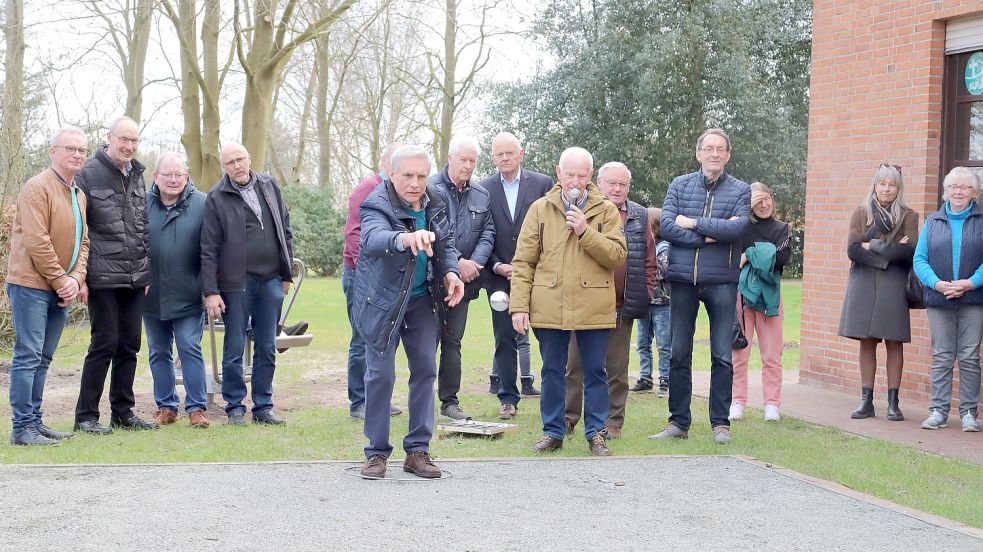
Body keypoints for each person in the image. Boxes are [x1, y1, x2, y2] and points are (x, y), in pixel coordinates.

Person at [353, 145, 465, 479]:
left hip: (420, 301)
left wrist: (451, 272)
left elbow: (446, 246)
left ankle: (418, 451)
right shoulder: (376, 202)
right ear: (392, 173)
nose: (416, 183)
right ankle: (376, 453)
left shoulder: (436, 202)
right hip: (381, 301)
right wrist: (405, 239)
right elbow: (372, 239)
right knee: (381, 375)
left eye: (421, 175)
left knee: (426, 371)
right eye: (408, 176)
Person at [510, 147, 627, 456]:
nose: (575, 181)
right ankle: (553, 432)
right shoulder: (539, 209)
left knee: (595, 371)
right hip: (550, 303)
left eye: (582, 175)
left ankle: (596, 434)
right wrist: (519, 306)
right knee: (552, 370)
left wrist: (585, 231)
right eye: (570, 174)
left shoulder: (607, 211)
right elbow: (523, 262)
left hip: (594, 305)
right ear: (558, 173)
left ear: (591, 176)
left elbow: (616, 256)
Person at [651, 129, 750, 445]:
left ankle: (720, 424)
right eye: (709, 148)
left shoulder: (740, 190)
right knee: (679, 353)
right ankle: (678, 422)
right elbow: (666, 226)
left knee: (722, 354)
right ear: (699, 153)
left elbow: (737, 228)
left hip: (721, 280)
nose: (715, 154)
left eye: (721, 149)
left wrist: (692, 223)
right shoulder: (679, 185)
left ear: (728, 155)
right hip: (683, 280)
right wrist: (708, 236)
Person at [73, 116, 158, 434]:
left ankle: (123, 413)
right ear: (109, 137)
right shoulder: (87, 174)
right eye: (124, 139)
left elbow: (142, 227)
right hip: (102, 276)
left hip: (135, 279)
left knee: (130, 346)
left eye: (134, 141)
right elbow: (79, 229)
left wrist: (145, 272)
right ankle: (86, 417)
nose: (129, 146)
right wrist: (79, 277)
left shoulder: (138, 175)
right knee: (104, 343)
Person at [6, 126, 90, 445]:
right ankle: (21, 428)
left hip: (60, 288)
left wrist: (75, 279)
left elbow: (84, 242)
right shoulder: (36, 187)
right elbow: (37, 240)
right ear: (53, 152)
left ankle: (35, 422)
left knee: (43, 357)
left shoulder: (78, 193)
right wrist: (61, 280)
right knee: (28, 355)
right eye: (70, 148)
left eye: (82, 150)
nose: (77, 154)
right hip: (30, 285)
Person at [200, 143, 294, 426]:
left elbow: (284, 227)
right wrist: (211, 291)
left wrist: (286, 271)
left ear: (250, 159)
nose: (237, 166)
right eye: (230, 162)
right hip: (235, 283)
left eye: (240, 159)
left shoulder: (269, 185)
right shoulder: (217, 197)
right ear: (224, 167)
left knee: (266, 345)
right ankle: (235, 406)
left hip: (271, 280)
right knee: (235, 344)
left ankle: (263, 406)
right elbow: (208, 248)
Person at [564, 162, 656, 439]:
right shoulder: (583, 209)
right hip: (583, 303)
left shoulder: (639, 215)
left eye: (623, 184)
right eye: (612, 183)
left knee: (617, 368)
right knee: (575, 365)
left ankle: (613, 422)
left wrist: (645, 291)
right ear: (599, 183)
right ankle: (568, 418)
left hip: (620, 304)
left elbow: (649, 260)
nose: (617, 189)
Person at [478, 132, 552, 417]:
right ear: (493, 157)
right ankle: (508, 398)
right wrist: (496, 265)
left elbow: (552, 228)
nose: (505, 158)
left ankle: (554, 393)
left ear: (521, 153)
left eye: (510, 153)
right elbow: (484, 232)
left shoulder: (543, 183)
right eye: (499, 154)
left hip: (538, 275)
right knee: (504, 338)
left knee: (547, 336)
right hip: (499, 276)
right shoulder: (483, 189)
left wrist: (531, 266)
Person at [837, 164, 917, 422]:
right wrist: (888, 252)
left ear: (898, 188)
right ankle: (866, 401)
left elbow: (908, 252)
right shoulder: (861, 212)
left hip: (894, 284)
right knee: (867, 341)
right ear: (875, 185)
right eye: (882, 183)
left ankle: (894, 403)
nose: (886, 189)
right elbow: (852, 250)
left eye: (891, 184)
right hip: (863, 282)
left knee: (894, 341)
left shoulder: (909, 216)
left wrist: (872, 244)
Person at [430, 136, 495, 421]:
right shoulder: (430, 188)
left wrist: (475, 263)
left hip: (466, 284)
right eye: (463, 160)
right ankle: (419, 400)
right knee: (425, 343)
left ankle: (449, 402)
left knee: (453, 341)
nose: (468, 166)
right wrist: (456, 262)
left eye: (472, 161)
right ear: (450, 158)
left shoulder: (481, 194)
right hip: (432, 281)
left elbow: (488, 232)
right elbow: (436, 228)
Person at [913, 167, 982, 432]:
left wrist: (970, 283)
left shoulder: (982, 220)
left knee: (969, 357)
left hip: (974, 298)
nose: (958, 192)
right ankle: (939, 411)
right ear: (945, 191)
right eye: (953, 187)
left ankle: (968, 414)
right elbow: (920, 260)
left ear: (973, 192)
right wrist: (939, 285)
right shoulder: (932, 221)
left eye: (964, 187)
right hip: (940, 299)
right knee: (942, 356)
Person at [143, 154, 210, 429]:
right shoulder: (141, 204)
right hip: (150, 294)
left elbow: (210, 251)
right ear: (155, 177)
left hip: (188, 294)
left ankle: (197, 409)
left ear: (187, 176)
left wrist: (208, 289)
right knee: (158, 352)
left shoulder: (202, 204)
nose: (173, 180)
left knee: (189, 347)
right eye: (167, 174)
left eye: (178, 175)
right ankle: (166, 407)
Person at [341, 143, 403, 420]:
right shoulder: (368, 188)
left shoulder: (398, 192)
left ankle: (377, 398)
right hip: (360, 276)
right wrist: (369, 273)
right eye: (396, 163)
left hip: (386, 278)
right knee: (362, 335)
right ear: (385, 163)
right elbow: (354, 235)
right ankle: (358, 402)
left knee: (382, 337)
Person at [729, 182, 791, 422]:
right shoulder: (740, 227)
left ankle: (772, 404)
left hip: (770, 299)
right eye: (758, 201)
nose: (764, 205)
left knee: (772, 355)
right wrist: (762, 252)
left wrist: (749, 254)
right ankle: (737, 402)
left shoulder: (782, 228)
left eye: (767, 199)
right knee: (739, 354)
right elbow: (734, 258)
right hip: (741, 298)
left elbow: (781, 258)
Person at [631, 207, 671, 397]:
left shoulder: (664, 247)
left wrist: (643, 268)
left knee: (664, 344)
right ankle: (645, 377)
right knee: (642, 342)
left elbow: (662, 272)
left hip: (662, 303)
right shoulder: (642, 245)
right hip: (644, 302)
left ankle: (665, 379)